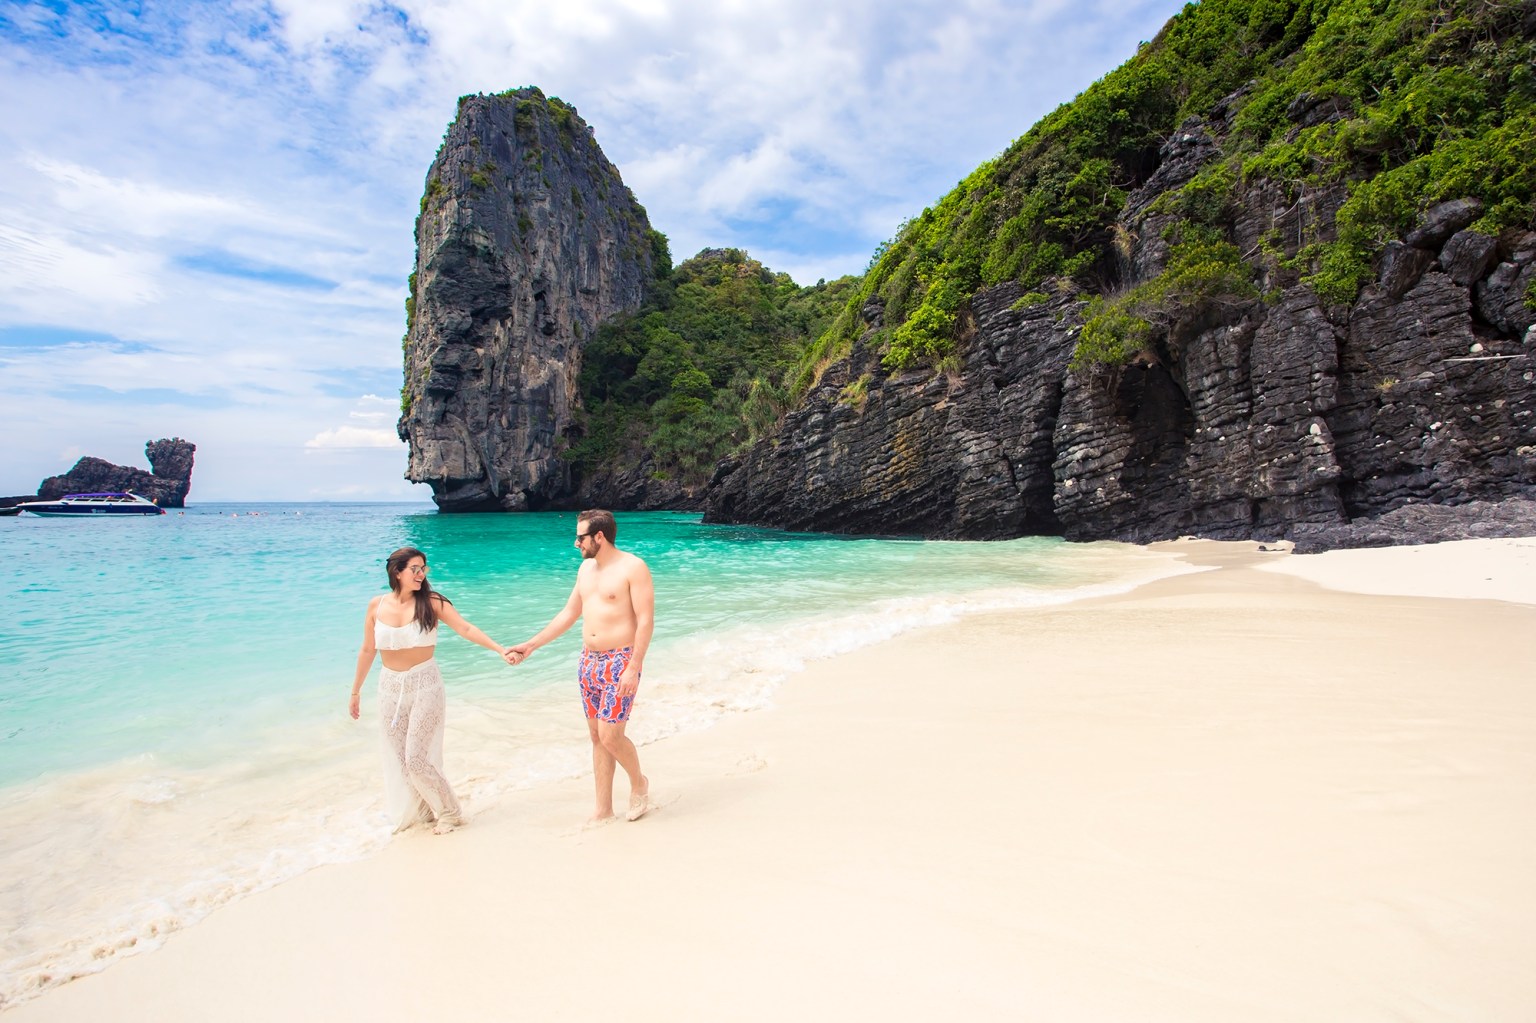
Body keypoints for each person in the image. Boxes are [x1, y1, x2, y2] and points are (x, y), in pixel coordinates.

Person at [351, 546, 520, 834]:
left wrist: (499, 649)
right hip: (389, 687)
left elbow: (465, 629)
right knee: (402, 761)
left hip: (425, 683)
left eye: (423, 568)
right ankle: (423, 814)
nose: (421, 574)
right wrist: (355, 692)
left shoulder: (432, 602)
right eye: (414, 569)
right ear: (397, 572)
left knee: (417, 758)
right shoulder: (376, 606)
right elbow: (368, 649)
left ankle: (450, 812)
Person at [511, 510, 654, 823]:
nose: (576, 543)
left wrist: (634, 665)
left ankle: (639, 782)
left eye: (581, 537)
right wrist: (531, 644)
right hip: (588, 661)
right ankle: (603, 809)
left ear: (599, 537)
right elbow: (569, 613)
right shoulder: (585, 570)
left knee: (611, 735)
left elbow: (645, 620)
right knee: (595, 736)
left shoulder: (633, 567)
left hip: (620, 659)